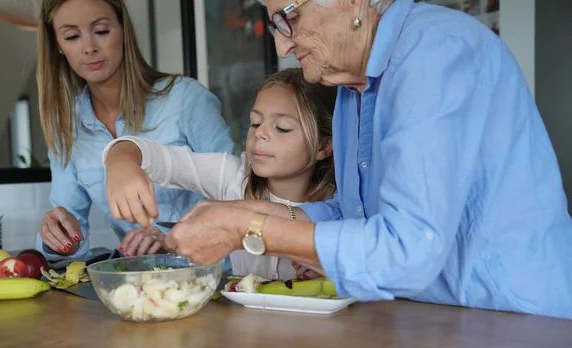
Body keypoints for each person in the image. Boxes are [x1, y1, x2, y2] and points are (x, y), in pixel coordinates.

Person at [112, 0, 572, 319]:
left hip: (514, 322)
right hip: (435, 317)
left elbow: (407, 249)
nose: (281, 47)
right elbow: (351, 214)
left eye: (285, 19)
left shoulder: (437, 52)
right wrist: (249, 211)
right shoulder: (353, 86)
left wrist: (245, 230)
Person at [34, 0, 233, 258]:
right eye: (72, 36)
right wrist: (59, 237)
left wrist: (175, 240)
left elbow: (238, 195)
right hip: (140, 287)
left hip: (217, 281)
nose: (89, 48)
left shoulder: (186, 99)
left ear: (123, 31)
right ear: (58, 46)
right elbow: (71, 240)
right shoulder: (66, 128)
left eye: (102, 31)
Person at [103, 68, 336, 280]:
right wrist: (121, 159)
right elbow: (165, 160)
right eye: (255, 123)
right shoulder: (232, 176)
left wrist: (330, 271)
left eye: (282, 128)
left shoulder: (342, 204)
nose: (260, 134)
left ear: (323, 147)